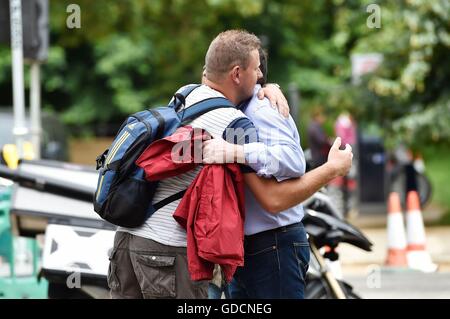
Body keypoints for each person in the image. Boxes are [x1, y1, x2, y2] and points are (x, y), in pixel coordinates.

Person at [108, 29, 287, 299]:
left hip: (126, 242)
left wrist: (269, 88)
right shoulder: (235, 124)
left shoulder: (184, 94)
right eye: (256, 69)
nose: (261, 76)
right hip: (166, 252)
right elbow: (271, 175)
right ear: (237, 74)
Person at [201, 49, 353, 298]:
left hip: (273, 245)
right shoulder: (231, 112)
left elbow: (287, 176)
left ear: (239, 74)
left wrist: (331, 169)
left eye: (259, 69)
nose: (205, 78)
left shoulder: (261, 110)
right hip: (248, 247)